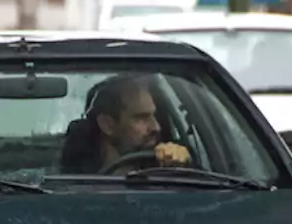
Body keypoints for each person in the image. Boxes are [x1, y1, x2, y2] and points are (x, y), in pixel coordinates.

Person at [58, 73, 192, 175]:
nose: (156, 127)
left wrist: (181, 168)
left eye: (154, 116)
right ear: (107, 124)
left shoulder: (165, 174)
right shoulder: (72, 181)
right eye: (141, 118)